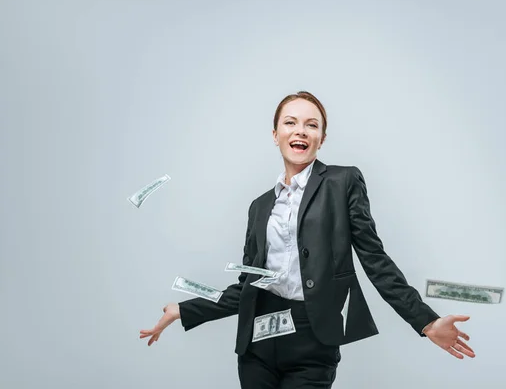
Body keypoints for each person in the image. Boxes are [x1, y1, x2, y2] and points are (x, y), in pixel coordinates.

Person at [140, 91, 476, 388]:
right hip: (256, 343)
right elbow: (248, 286)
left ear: (321, 138)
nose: (300, 130)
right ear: (275, 135)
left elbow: (375, 259)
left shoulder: (342, 182)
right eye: (290, 122)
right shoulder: (259, 207)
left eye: (311, 125)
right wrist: (184, 311)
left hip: (312, 337)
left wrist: (426, 320)